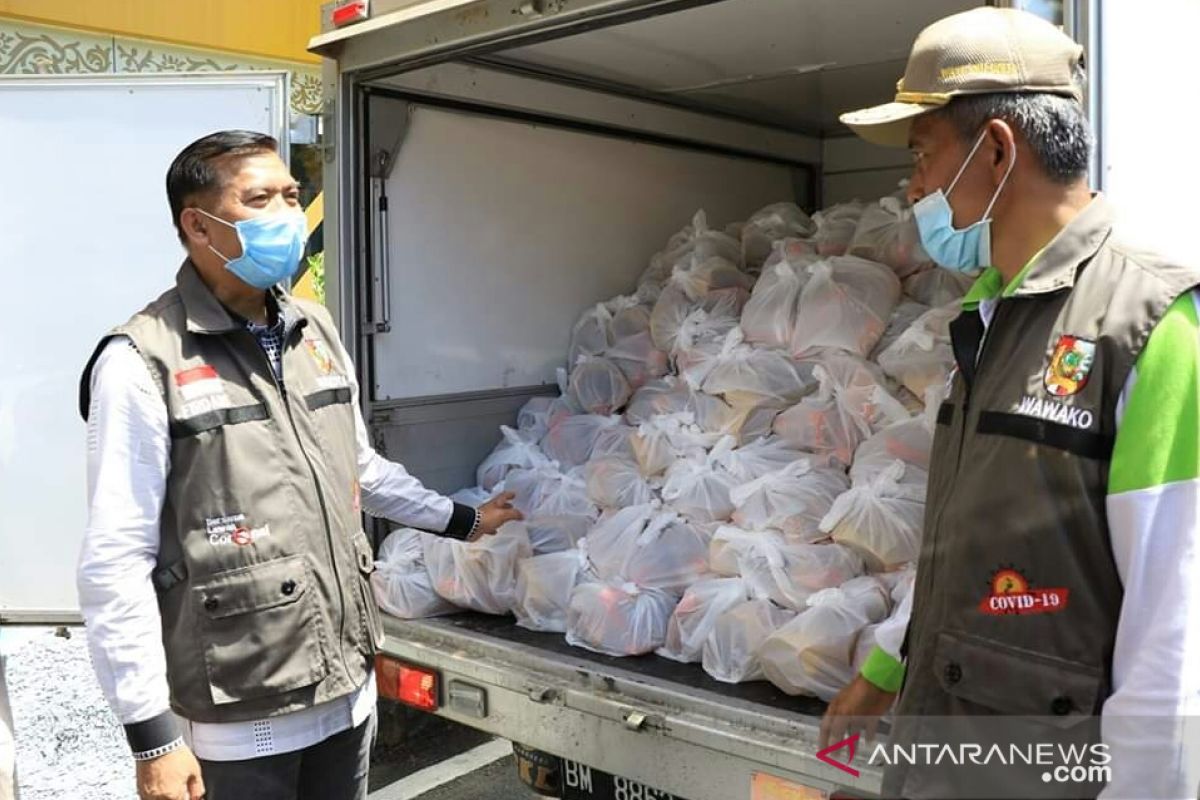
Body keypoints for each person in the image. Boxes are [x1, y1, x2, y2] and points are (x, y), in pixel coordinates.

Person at [822, 8, 1200, 799]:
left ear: (996, 150)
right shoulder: (995, 314)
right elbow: (968, 539)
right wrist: (887, 671)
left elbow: (1175, 640)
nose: (914, 187)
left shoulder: (1152, 324)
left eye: (924, 158)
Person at [76, 130, 522, 800]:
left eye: (291, 194)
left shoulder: (314, 330)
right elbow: (115, 559)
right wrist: (153, 736)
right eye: (261, 199)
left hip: (347, 698)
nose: (289, 214)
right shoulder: (141, 361)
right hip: (236, 721)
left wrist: (462, 519)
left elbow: (359, 469)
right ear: (199, 225)